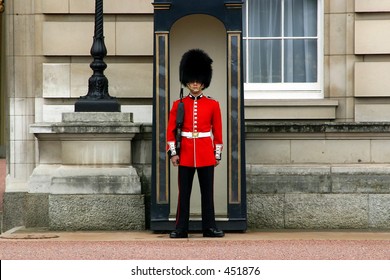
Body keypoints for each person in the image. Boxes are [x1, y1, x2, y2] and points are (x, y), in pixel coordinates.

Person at [166, 49, 224, 238]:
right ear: (187, 81)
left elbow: (218, 131)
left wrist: (217, 153)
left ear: (204, 81)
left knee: (207, 194)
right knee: (184, 194)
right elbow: (171, 130)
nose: (195, 84)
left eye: (198, 80)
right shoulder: (178, 104)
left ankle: (209, 227)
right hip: (186, 154)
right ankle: (181, 228)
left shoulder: (213, 104)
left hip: (206, 153)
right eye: (192, 80)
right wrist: (173, 152)